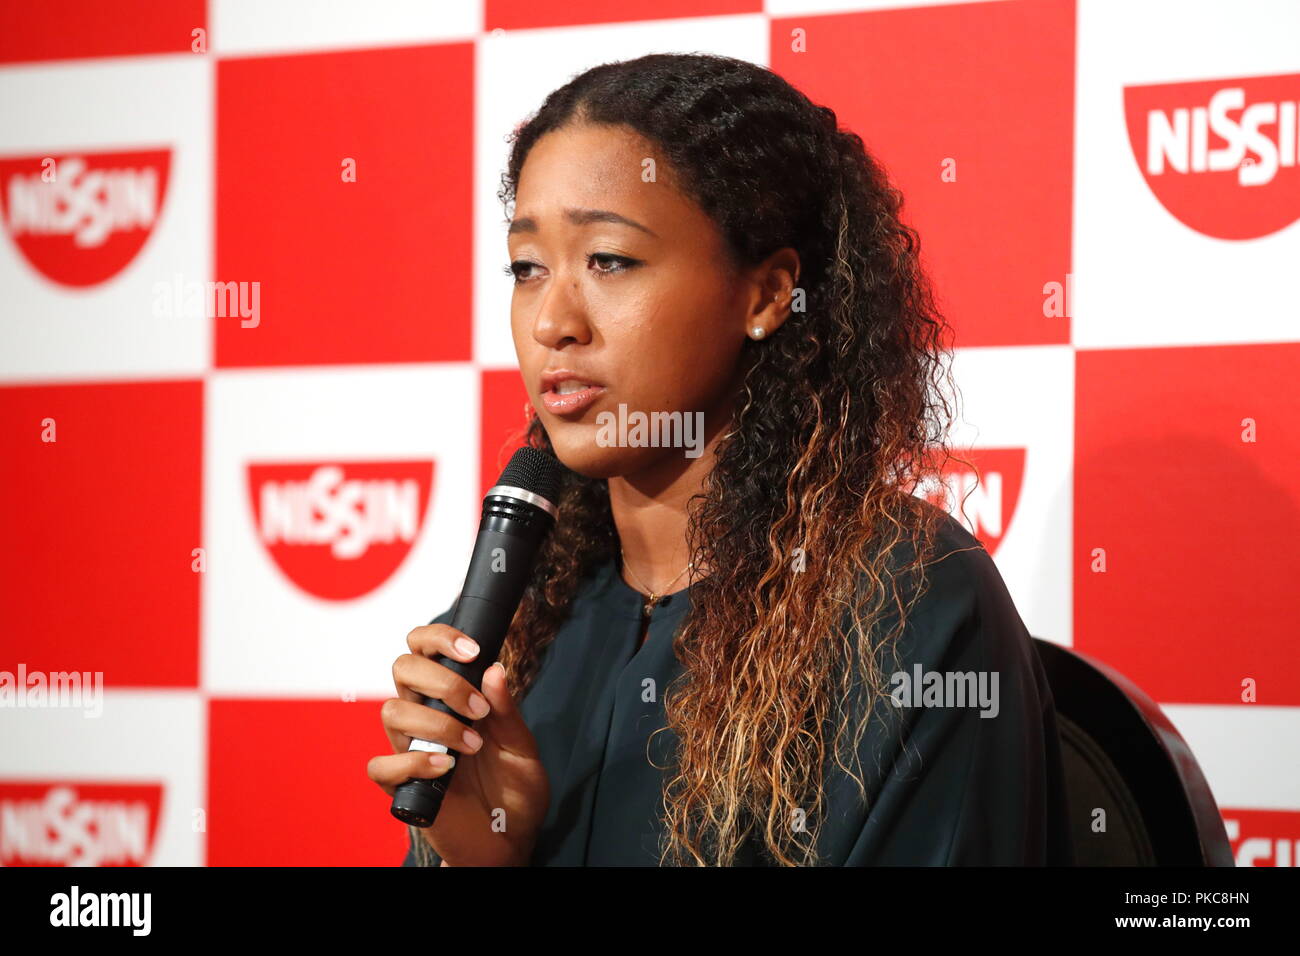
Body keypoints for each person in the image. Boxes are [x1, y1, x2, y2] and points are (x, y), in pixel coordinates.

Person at [366, 52, 1074, 867]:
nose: (553, 321)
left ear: (768, 294)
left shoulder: (908, 599)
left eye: (609, 261)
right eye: (528, 268)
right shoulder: (523, 617)